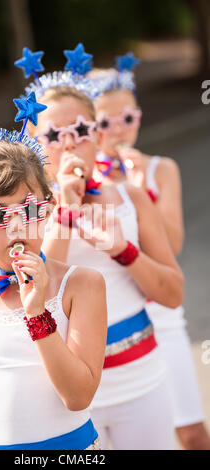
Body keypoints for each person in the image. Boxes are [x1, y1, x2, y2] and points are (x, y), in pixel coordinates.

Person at [21, 44, 184, 450]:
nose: (70, 145)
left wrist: (123, 250)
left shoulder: (132, 198)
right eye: (54, 135)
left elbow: (172, 292)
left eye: (81, 131)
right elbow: (41, 289)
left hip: (141, 379)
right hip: (64, 395)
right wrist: (65, 210)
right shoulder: (24, 213)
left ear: (97, 133)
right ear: (34, 143)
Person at [0, 95, 107, 450]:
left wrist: (37, 314)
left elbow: (78, 397)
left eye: (28, 210)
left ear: (47, 209)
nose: (15, 228)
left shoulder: (82, 285)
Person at [92, 53, 210, 450]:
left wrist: (143, 189)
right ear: (91, 127)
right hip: (115, 316)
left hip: (161, 307)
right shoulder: (86, 181)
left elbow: (171, 247)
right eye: (105, 122)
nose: (119, 130)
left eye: (128, 118)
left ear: (139, 116)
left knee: (191, 430)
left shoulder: (162, 168)